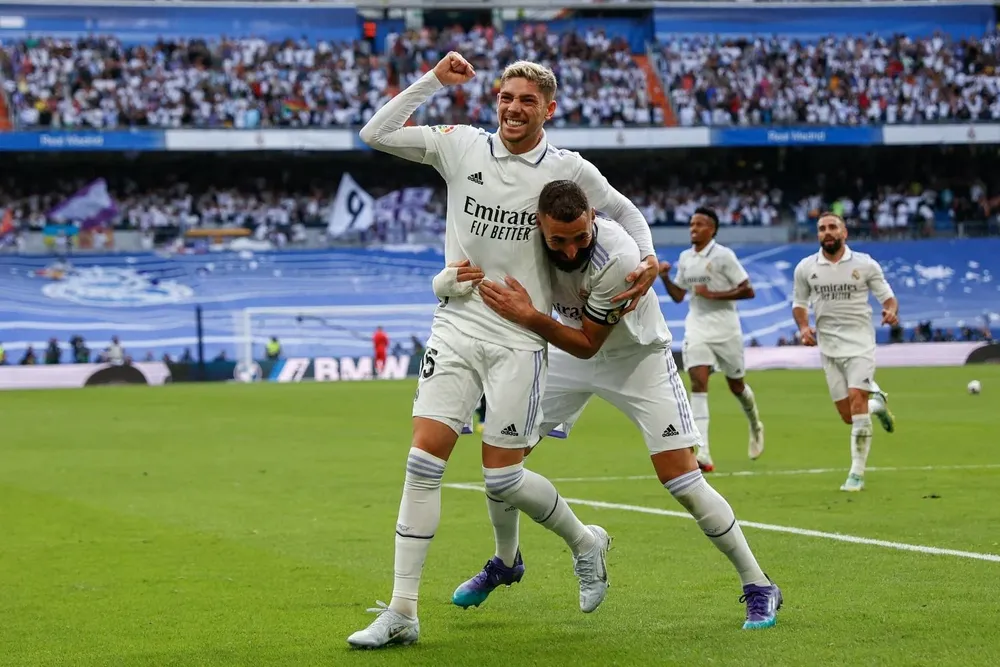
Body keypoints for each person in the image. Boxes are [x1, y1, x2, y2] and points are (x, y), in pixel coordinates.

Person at [348, 52, 660, 649]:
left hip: (521, 337)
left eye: (526, 101)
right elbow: (376, 133)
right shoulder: (461, 145)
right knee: (422, 462)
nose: (513, 109)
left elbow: (623, 211)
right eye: (506, 98)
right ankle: (403, 611)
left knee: (504, 481)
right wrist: (435, 81)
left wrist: (645, 259)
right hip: (457, 326)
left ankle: (584, 540)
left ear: (549, 109)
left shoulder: (566, 169)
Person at [435, 180, 781, 630]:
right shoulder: (524, 241)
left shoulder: (617, 256)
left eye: (581, 236)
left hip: (636, 357)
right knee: (505, 458)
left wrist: (529, 317)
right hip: (563, 351)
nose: (573, 248)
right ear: (539, 225)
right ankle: (506, 561)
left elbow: (587, 344)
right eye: (559, 240)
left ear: (593, 219)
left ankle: (758, 584)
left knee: (682, 480)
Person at [792, 212, 898, 492]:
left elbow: (887, 297)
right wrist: (804, 328)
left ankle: (857, 474)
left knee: (856, 400)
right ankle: (879, 405)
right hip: (828, 347)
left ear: (844, 232)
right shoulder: (805, 267)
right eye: (822, 228)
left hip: (861, 343)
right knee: (848, 415)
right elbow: (799, 303)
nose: (827, 232)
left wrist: (890, 311)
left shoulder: (864, 264)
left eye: (832, 227)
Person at [657, 208, 764, 472]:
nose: (693, 228)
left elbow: (748, 290)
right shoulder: (685, 258)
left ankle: (755, 423)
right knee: (698, 381)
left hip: (726, 329)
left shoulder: (724, 256)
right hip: (697, 327)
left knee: (736, 386)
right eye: (692, 224)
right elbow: (680, 296)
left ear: (712, 229)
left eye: (700, 224)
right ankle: (703, 451)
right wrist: (665, 278)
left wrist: (712, 295)